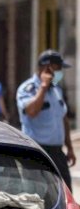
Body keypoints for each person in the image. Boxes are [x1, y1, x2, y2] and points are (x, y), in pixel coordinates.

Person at [16, 50, 76, 190]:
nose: (60, 72)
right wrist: (43, 87)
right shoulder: (27, 89)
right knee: (38, 193)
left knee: (65, 193)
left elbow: (63, 119)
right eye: (58, 68)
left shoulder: (56, 90)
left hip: (57, 152)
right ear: (47, 67)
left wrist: (70, 148)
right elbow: (31, 112)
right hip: (37, 152)